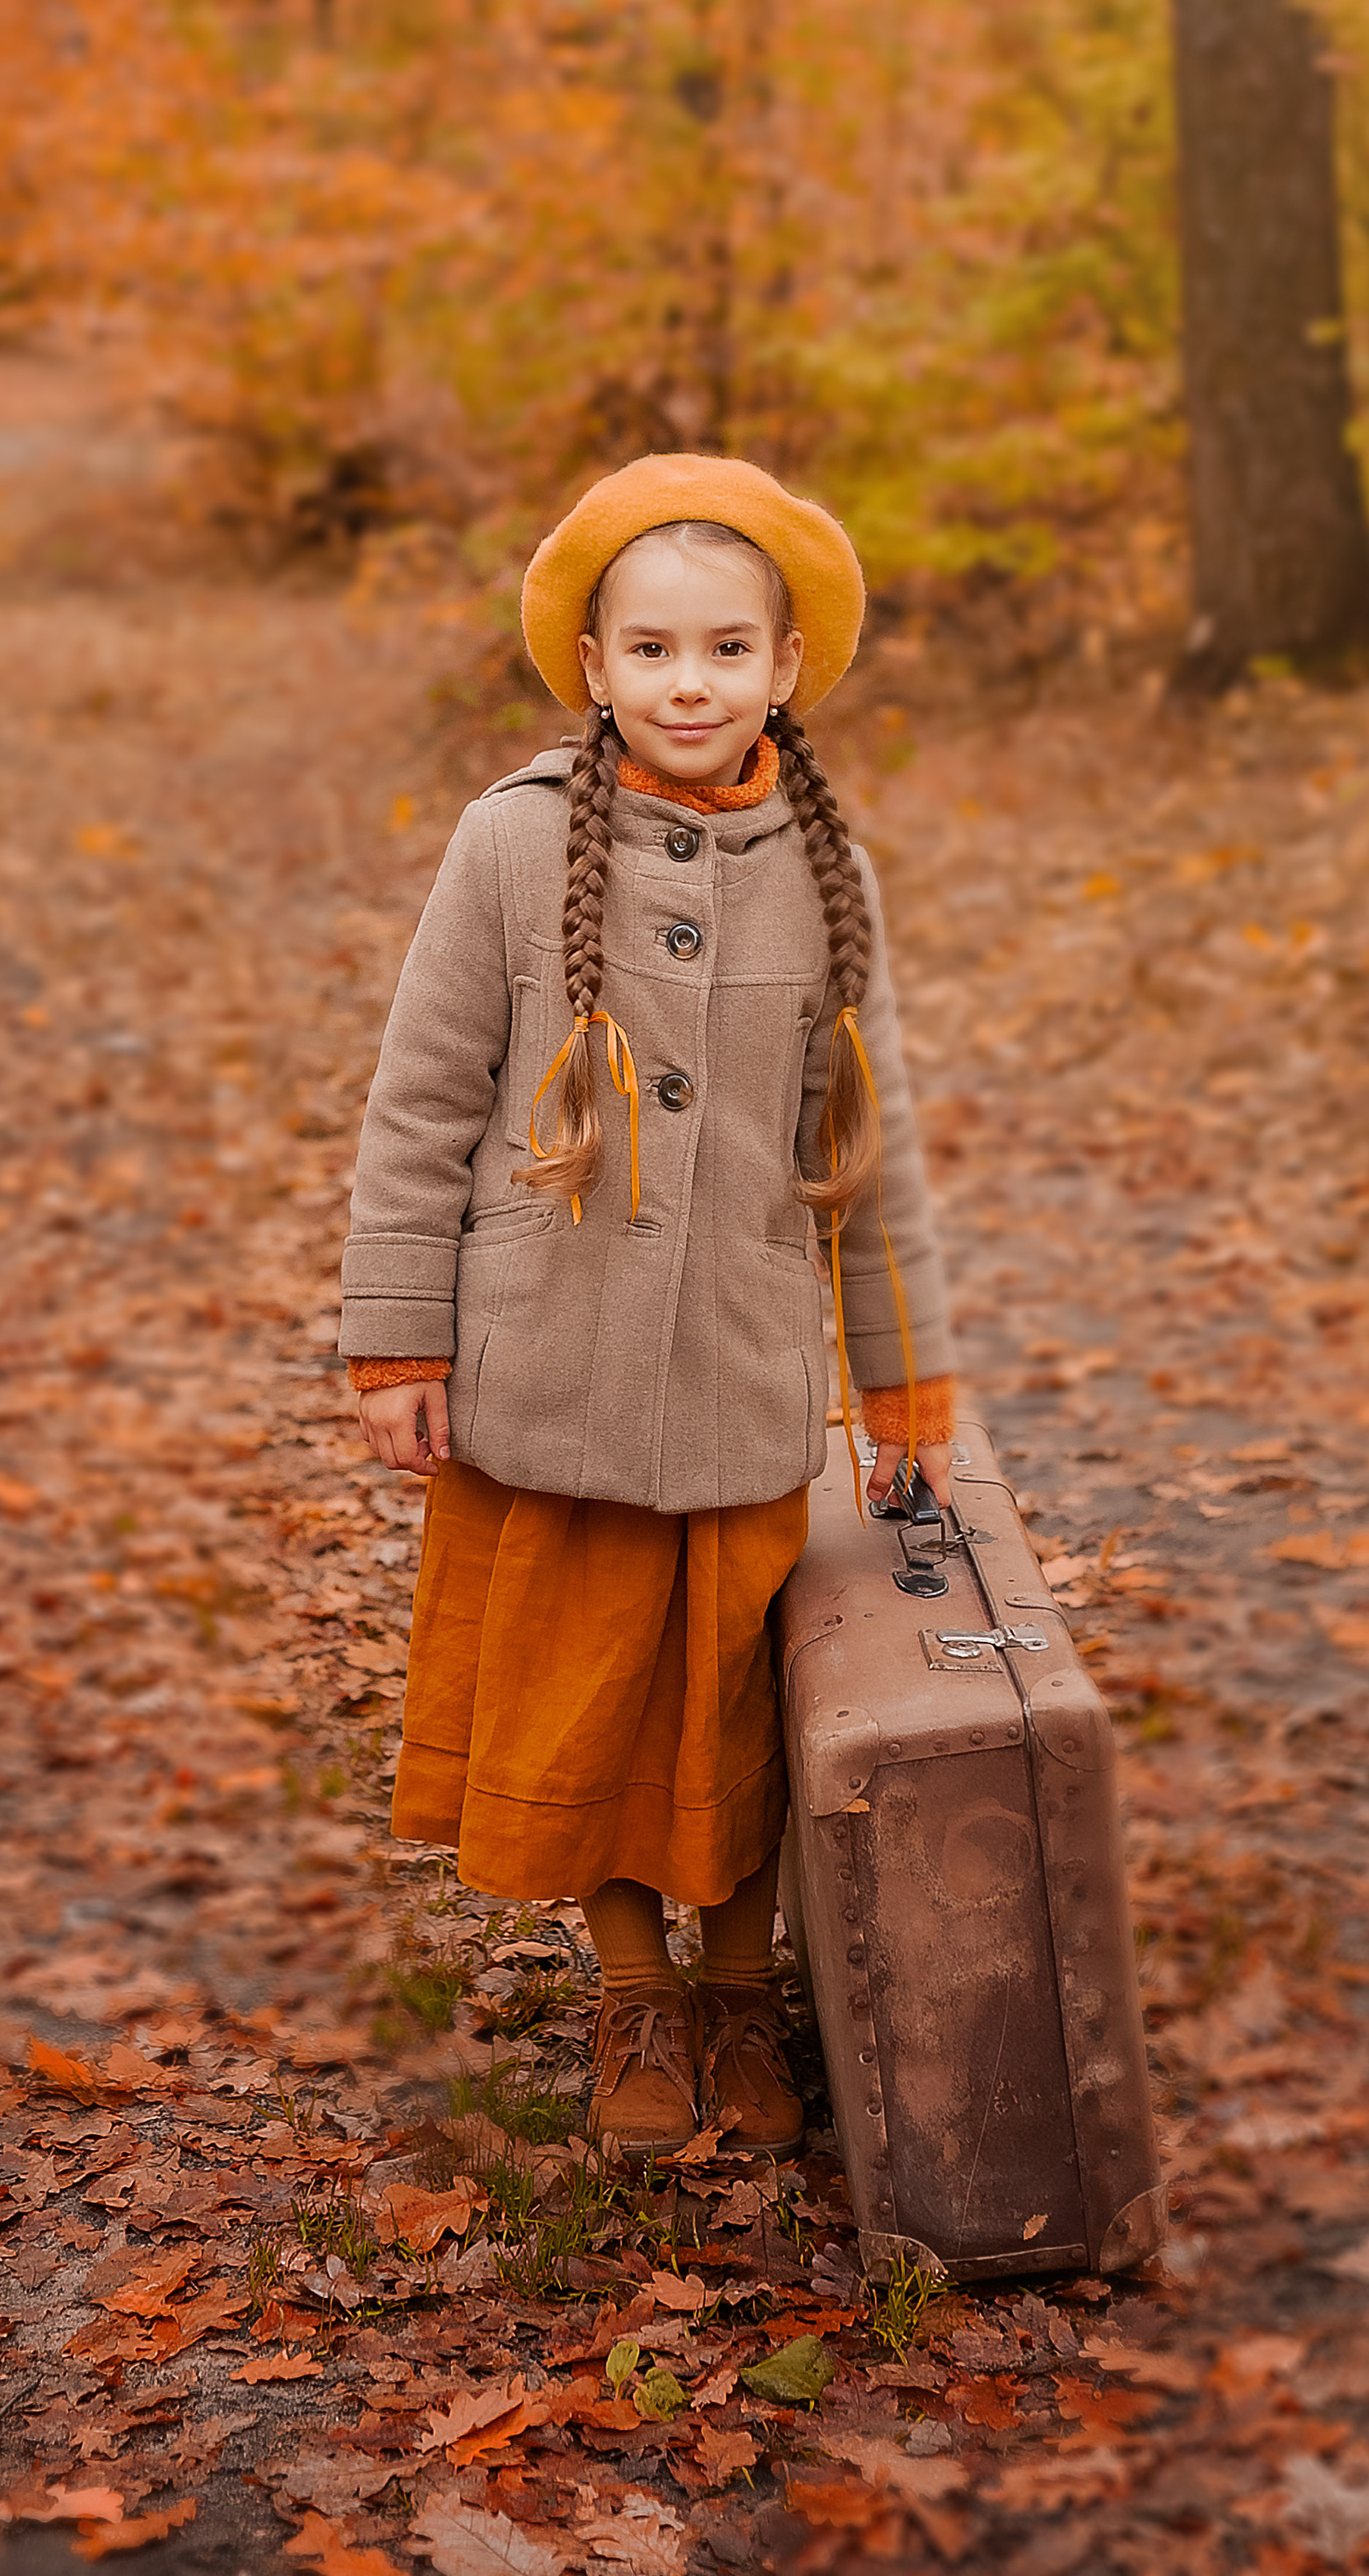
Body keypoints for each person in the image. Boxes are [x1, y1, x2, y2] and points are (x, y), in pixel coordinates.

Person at [341, 453, 956, 2163]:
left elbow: (868, 1153)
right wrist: (395, 1337)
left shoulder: (827, 869)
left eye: (726, 648)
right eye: (654, 649)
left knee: (738, 1708)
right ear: (594, 666)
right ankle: (634, 1992)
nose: (689, 682)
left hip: (742, 1368)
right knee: (593, 1700)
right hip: (549, 1363)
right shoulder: (509, 842)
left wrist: (904, 1392)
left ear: (781, 667)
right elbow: (417, 1103)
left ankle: (744, 1992)